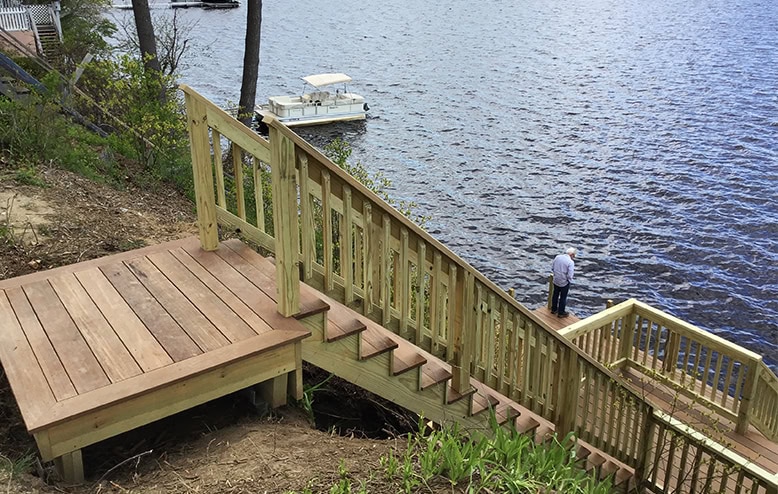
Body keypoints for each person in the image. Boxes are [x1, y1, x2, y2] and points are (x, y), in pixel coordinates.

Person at [551, 247, 577, 318]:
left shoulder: (557, 257)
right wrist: (569, 281)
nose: (573, 257)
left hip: (556, 280)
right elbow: (570, 275)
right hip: (564, 282)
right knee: (563, 297)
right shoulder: (570, 262)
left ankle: (553, 309)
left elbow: (552, 268)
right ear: (571, 255)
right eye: (574, 256)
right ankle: (561, 312)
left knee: (555, 294)